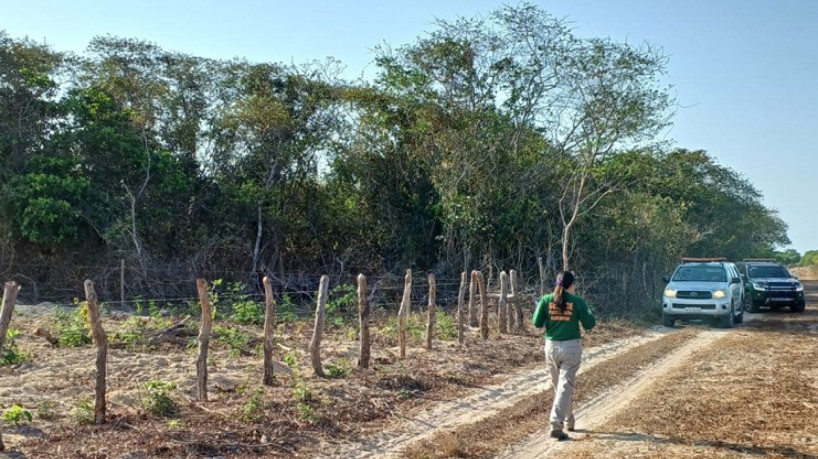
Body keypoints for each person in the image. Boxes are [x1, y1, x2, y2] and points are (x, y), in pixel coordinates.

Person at [532, 270, 596, 441]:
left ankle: (569, 421)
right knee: (564, 387)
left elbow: (536, 323)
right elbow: (590, 324)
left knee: (560, 387)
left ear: (557, 283)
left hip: (551, 348)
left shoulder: (546, 300)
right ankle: (556, 424)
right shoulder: (577, 302)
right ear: (572, 285)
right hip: (571, 348)